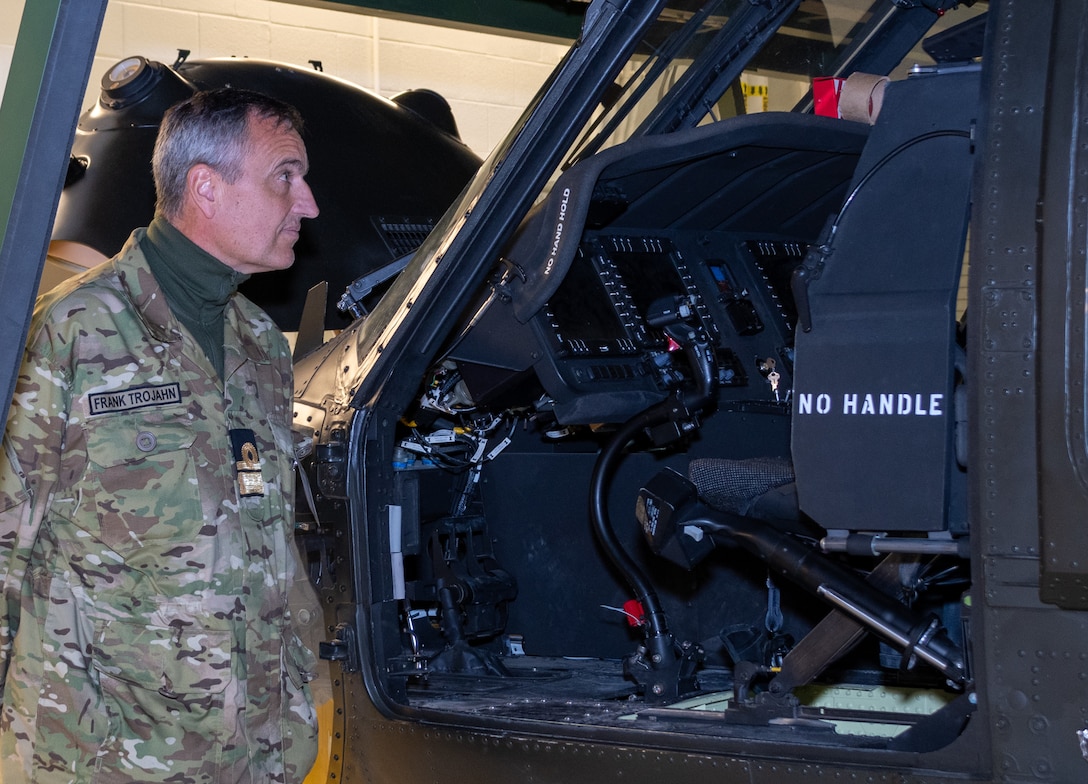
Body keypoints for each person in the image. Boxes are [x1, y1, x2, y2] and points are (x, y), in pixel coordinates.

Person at [0, 88, 322, 782]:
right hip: (111, 756)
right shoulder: (73, 332)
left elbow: (268, 539)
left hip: (257, 750)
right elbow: (6, 538)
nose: (309, 204)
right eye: (286, 177)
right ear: (206, 186)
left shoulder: (259, 344)